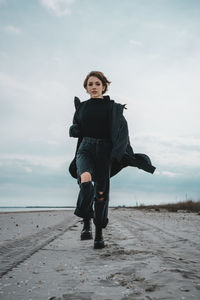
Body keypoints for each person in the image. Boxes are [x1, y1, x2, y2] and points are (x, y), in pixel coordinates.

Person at [69, 71, 156, 249]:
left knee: (100, 194)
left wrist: (117, 154)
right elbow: (77, 128)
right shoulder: (81, 107)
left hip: (105, 151)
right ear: (86, 88)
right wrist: (73, 129)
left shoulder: (113, 108)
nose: (93, 87)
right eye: (90, 84)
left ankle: (98, 233)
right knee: (85, 179)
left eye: (97, 84)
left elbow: (123, 132)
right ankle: (86, 218)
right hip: (85, 148)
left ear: (103, 86)